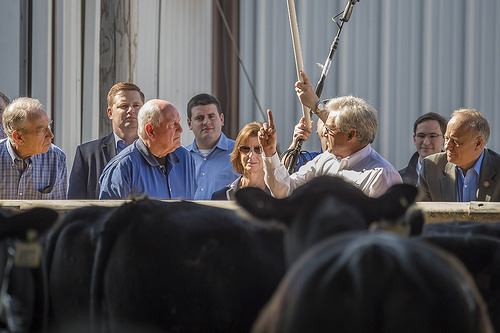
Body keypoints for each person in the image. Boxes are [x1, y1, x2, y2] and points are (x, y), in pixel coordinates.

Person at [258, 71, 402, 198]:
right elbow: (285, 190)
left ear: (351, 135)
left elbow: (384, 226)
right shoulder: (325, 160)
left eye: (330, 129)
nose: (323, 133)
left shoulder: (382, 175)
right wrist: (269, 152)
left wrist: (315, 104)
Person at [99, 99, 196, 200]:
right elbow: (111, 214)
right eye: (172, 124)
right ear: (150, 131)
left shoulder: (186, 158)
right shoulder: (122, 168)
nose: (180, 130)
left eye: (178, 122)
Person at [68, 82, 145, 199]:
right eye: (124, 106)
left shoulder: (158, 152)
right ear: (110, 113)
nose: (131, 110)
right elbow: (74, 204)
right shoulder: (87, 154)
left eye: (136, 105)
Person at [418, 108, 500, 202]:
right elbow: (421, 213)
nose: (447, 146)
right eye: (446, 138)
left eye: (455, 141)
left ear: (478, 143)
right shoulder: (431, 167)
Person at [0, 97, 67, 199]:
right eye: (42, 130)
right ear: (19, 137)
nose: (51, 135)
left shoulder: (56, 158)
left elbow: (60, 211)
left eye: (48, 126)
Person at [185, 93, 238, 200]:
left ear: (221, 119)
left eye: (211, 116)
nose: (206, 122)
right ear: (189, 124)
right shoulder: (181, 157)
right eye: (199, 118)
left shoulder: (240, 153)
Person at [211, 122, 270, 200]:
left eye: (258, 149)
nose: (251, 155)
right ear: (238, 154)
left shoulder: (279, 195)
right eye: (245, 149)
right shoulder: (221, 196)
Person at [399, 112, 447, 185]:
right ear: (414, 139)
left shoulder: (458, 176)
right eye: (421, 136)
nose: (426, 142)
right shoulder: (399, 179)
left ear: (445, 139)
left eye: (432, 136)